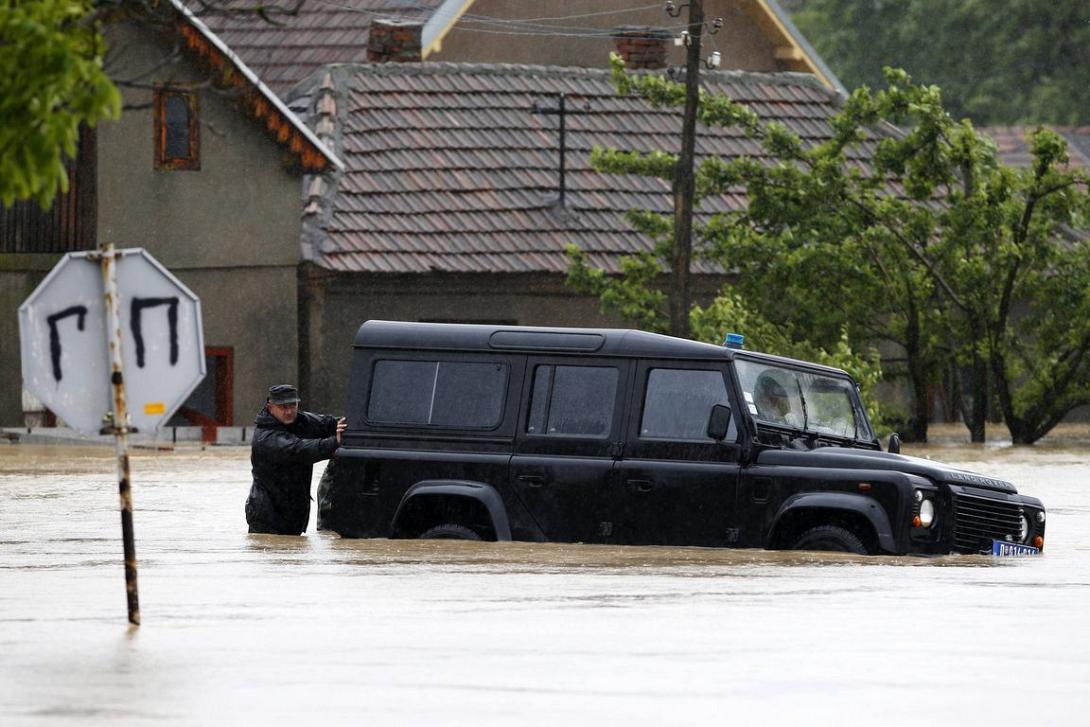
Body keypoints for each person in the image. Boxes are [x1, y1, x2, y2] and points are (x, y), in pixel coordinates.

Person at [245, 384, 346, 535]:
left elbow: (329, 423)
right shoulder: (265, 437)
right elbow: (300, 450)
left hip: (294, 511)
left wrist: (353, 425)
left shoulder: (302, 421)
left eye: (293, 405)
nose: (289, 411)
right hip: (267, 515)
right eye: (283, 407)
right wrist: (335, 442)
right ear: (270, 407)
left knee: (295, 555)